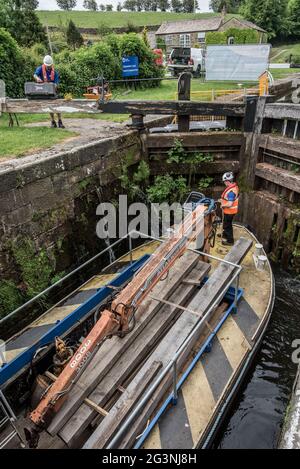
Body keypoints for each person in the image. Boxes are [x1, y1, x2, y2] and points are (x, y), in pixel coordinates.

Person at [33, 55, 65, 129]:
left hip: (53, 91)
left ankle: (60, 121)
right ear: (44, 64)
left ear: (52, 64)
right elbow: (35, 75)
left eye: (49, 66)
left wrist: (53, 86)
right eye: (47, 66)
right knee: (49, 106)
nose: (48, 67)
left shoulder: (55, 72)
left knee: (57, 106)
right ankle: (53, 122)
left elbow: (56, 84)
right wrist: (37, 78)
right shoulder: (40, 69)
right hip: (44, 92)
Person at [219, 172, 239, 246]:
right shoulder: (233, 187)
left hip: (230, 212)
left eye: (224, 181)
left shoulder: (231, 192)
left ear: (228, 181)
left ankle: (230, 241)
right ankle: (225, 234)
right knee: (225, 223)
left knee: (228, 225)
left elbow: (230, 204)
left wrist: (223, 205)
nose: (224, 183)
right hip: (228, 211)